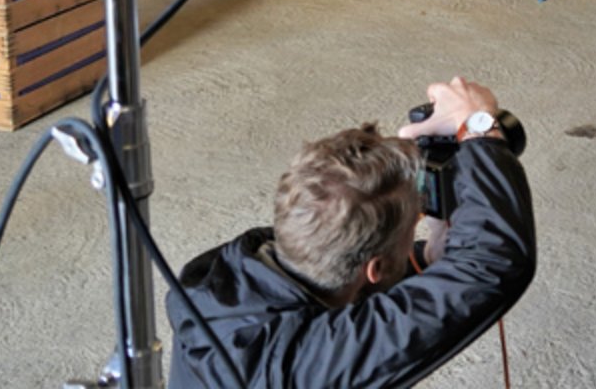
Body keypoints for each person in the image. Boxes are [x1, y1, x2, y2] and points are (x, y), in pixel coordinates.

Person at [165, 77, 536, 387]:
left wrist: (424, 257)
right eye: (413, 225)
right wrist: (477, 126)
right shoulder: (306, 364)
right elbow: (492, 263)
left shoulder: (227, 272)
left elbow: (350, 265)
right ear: (372, 270)